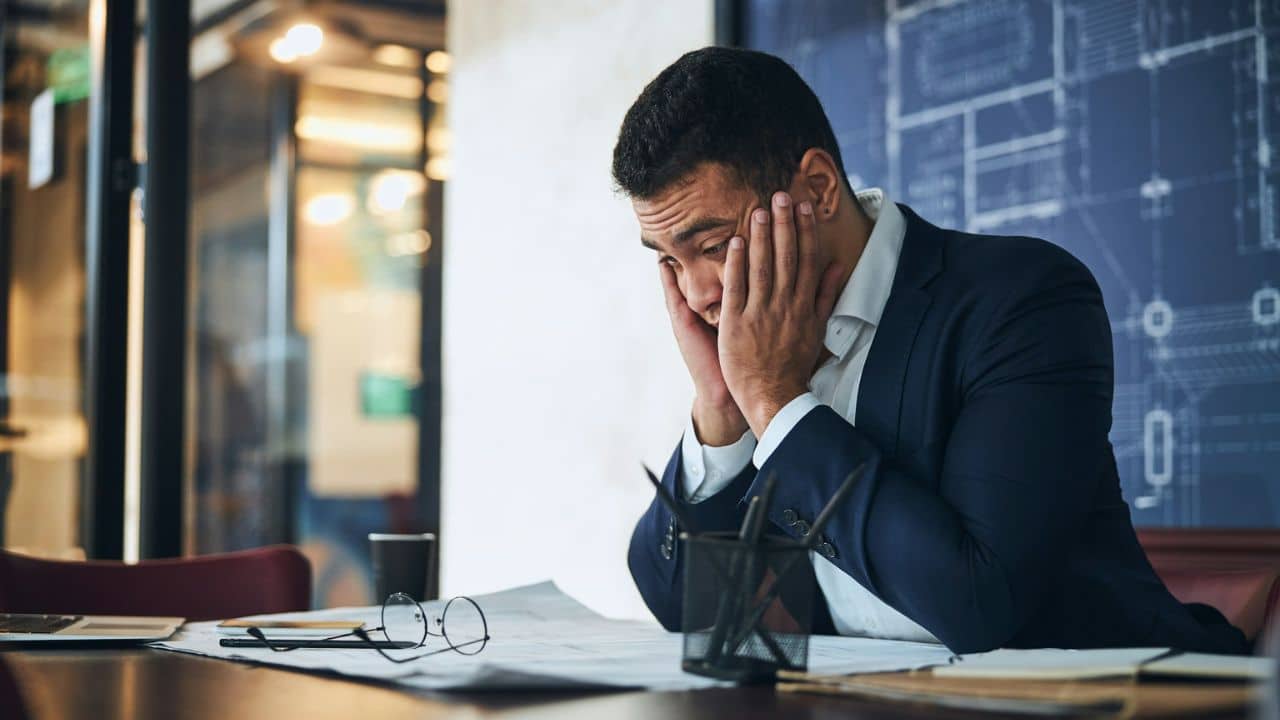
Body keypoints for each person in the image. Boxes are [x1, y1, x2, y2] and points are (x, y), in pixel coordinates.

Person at [614, 47, 1247, 654]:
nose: (696, 292)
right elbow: (688, 615)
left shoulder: (1021, 300)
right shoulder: (750, 366)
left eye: (717, 245)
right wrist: (724, 411)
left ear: (818, 188)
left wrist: (778, 404)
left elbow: (978, 602)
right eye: (671, 260)